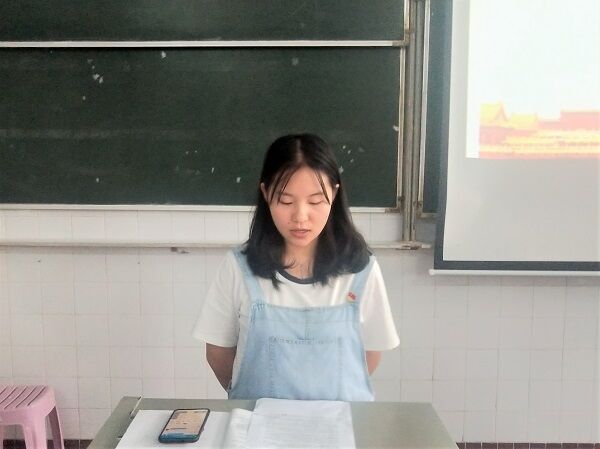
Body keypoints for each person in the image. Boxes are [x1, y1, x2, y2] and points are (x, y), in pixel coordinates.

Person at [192, 133, 399, 401]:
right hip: (259, 425)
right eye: (286, 201)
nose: (301, 216)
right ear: (266, 194)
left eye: (315, 201)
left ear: (334, 194)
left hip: (337, 425)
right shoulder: (238, 267)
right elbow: (218, 352)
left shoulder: (361, 270)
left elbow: (370, 354)